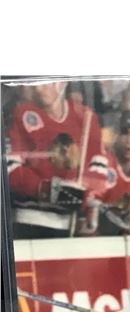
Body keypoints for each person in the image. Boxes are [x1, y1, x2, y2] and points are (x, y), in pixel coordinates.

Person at [6, 81, 109, 238]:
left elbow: (98, 167)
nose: (38, 89)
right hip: (28, 220)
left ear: (62, 83)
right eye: (36, 83)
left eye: (46, 83)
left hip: (71, 224)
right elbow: (9, 167)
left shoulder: (85, 117)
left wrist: (88, 198)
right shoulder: (20, 114)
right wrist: (44, 189)